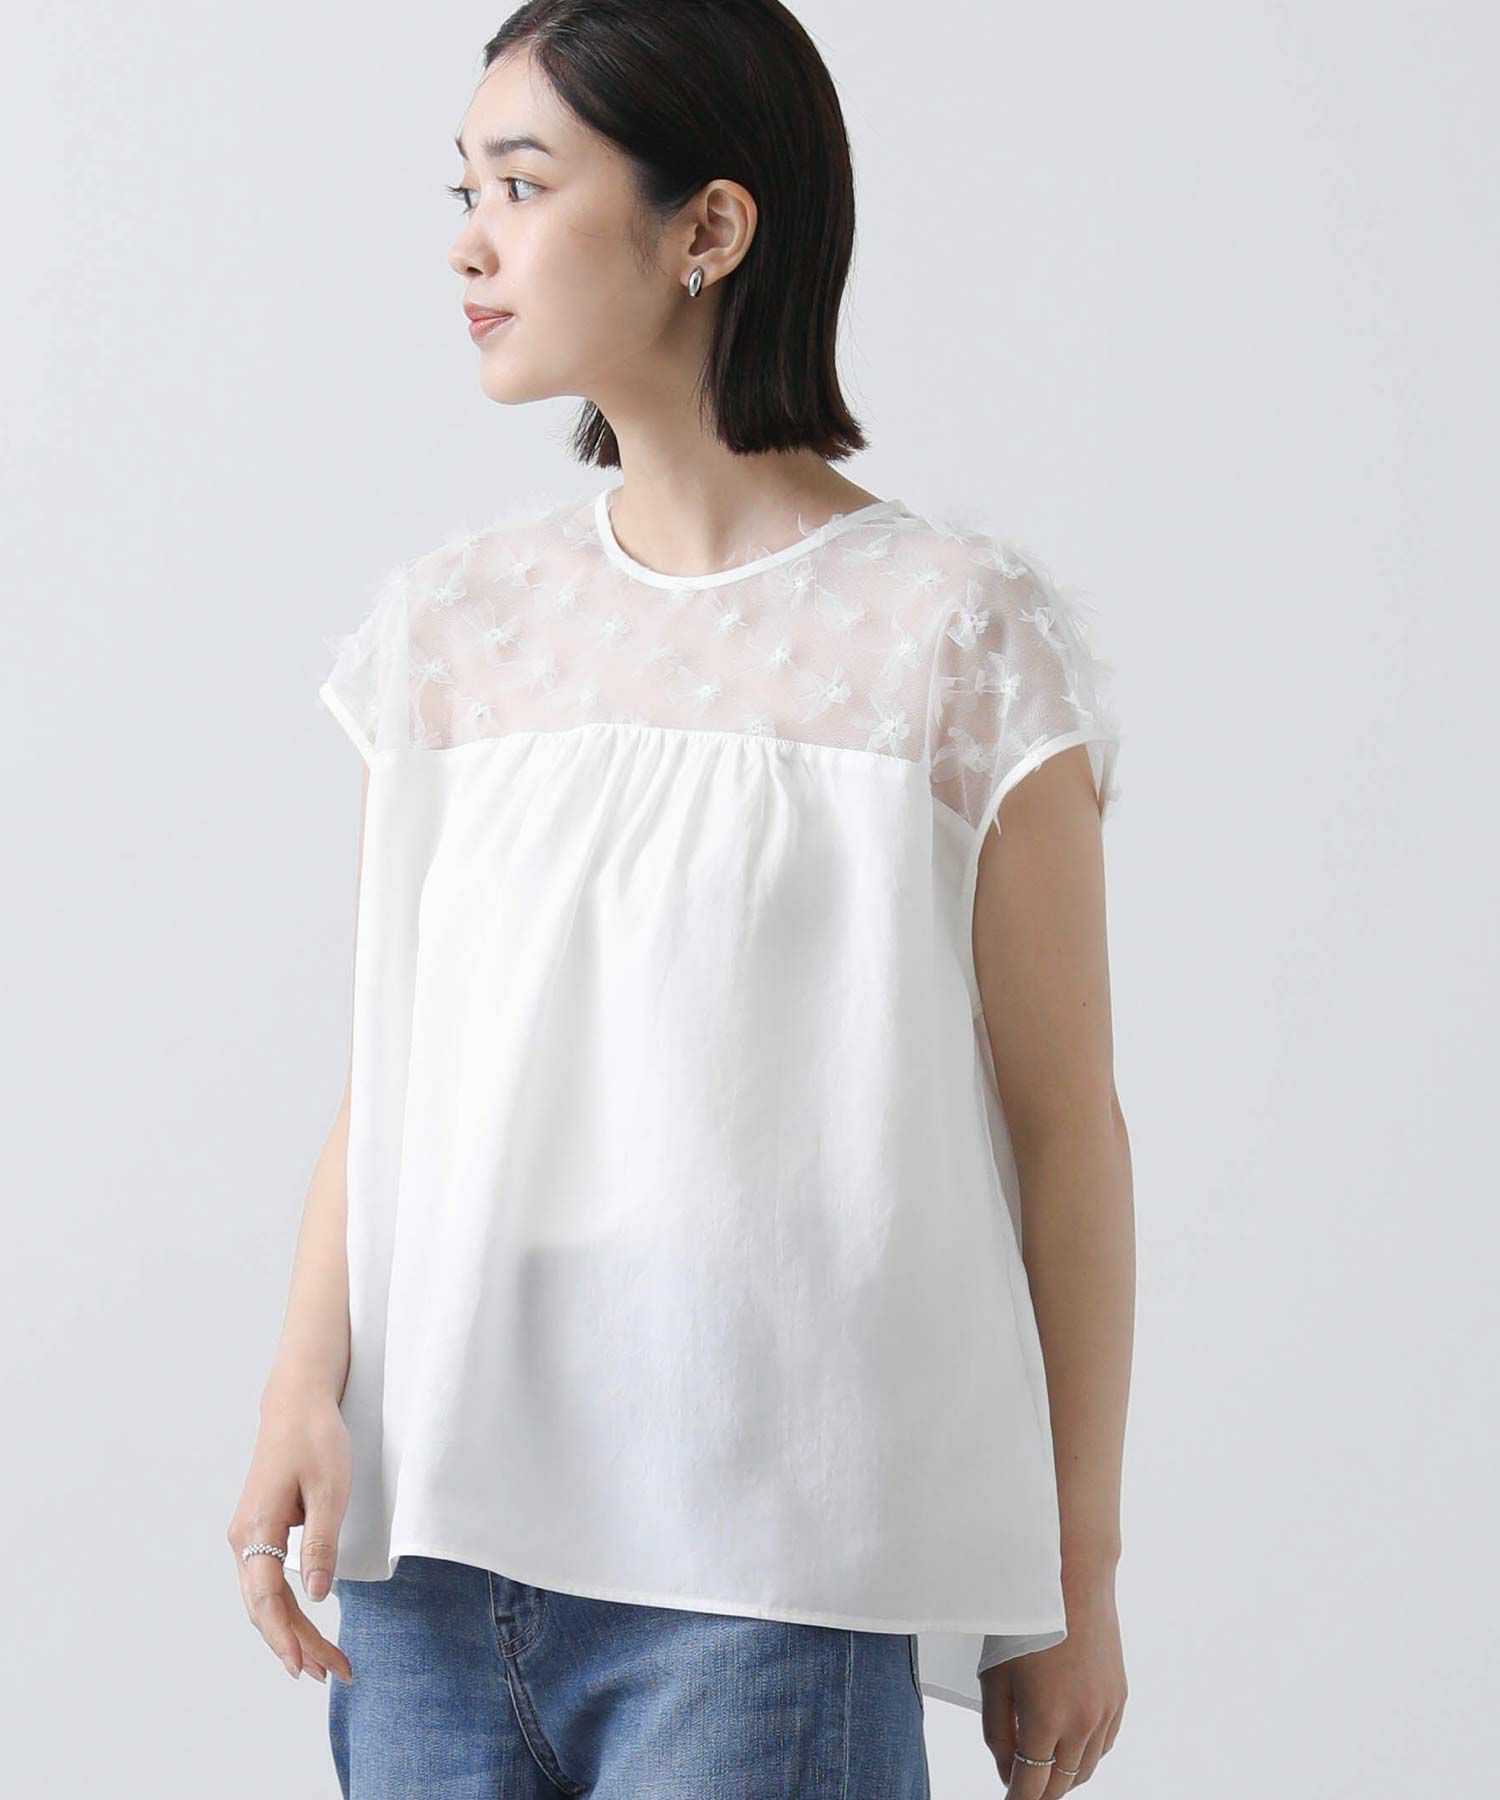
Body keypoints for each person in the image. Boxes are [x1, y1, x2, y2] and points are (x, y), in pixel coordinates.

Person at [226, 2, 1135, 1794]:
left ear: (708, 228)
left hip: (767, 1581)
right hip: (425, 1562)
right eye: (466, 190)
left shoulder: (951, 636)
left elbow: (1064, 1130)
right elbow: (395, 1074)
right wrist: (295, 1386)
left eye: (523, 183)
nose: (470, 242)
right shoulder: (451, 631)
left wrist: (1074, 1577)